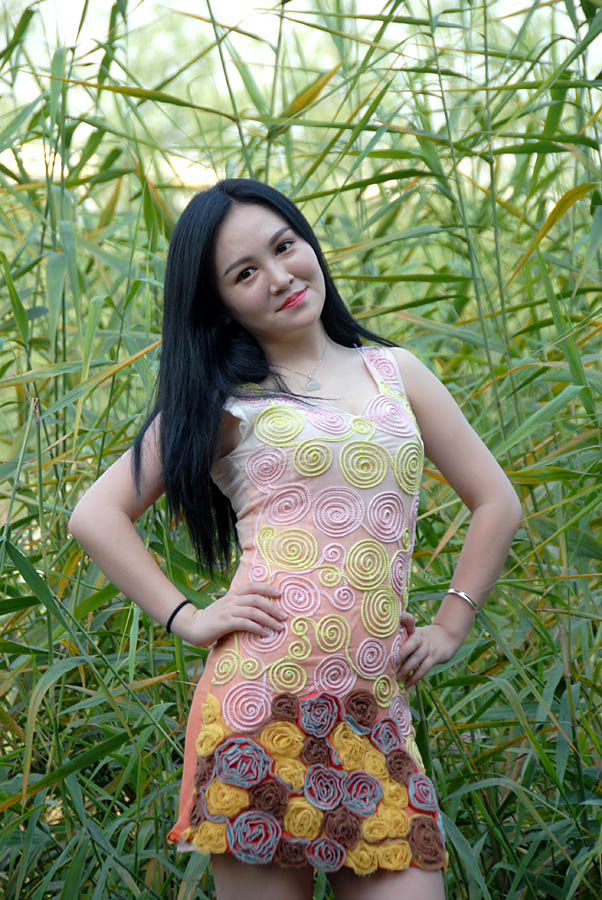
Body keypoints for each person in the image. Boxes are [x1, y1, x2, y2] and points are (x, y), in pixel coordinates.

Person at [68, 178, 522, 900]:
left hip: (374, 711)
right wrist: (187, 617)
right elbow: (95, 515)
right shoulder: (225, 400)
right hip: (260, 706)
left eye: (285, 247)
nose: (279, 277)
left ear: (308, 242)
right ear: (220, 302)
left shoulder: (394, 372)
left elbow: (497, 500)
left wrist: (451, 623)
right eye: (245, 273)